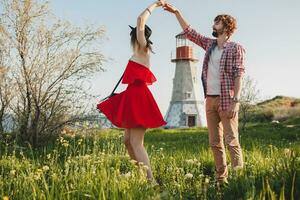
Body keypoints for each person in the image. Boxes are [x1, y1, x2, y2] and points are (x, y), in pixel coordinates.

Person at [163, 3, 245, 184]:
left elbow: (239, 74)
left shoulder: (235, 48)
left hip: (227, 100)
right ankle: (221, 178)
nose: (213, 25)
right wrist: (177, 12)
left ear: (226, 26)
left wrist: (236, 100)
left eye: (216, 22)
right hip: (210, 100)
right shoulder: (210, 45)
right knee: (215, 143)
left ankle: (240, 179)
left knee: (232, 140)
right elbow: (190, 32)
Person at [97, 0, 166, 181]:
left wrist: (155, 5)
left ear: (136, 35)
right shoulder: (136, 52)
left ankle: (150, 182)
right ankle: (141, 177)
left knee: (136, 142)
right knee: (127, 141)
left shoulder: (143, 49)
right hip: (132, 96)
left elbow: (140, 19)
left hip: (139, 98)